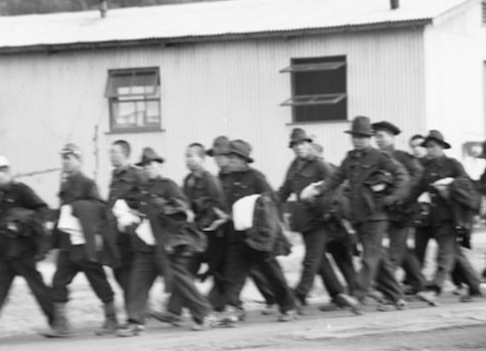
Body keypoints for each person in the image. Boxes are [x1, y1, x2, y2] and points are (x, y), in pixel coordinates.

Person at [304, 116, 408, 311]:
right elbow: (335, 178)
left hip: (376, 216)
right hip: (358, 215)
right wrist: (318, 190)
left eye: (362, 136)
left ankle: (357, 294)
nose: (358, 140)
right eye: (355, 136)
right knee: (378, 257)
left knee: (369, 257)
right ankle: (396, 296)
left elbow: (402, 175)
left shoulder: (379, 157)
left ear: (369, 137)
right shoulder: (350, 158)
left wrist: (392, 198)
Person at [117, 148, 213, 336]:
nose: (148, 168)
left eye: (152, 164)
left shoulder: (168, 186)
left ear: (159, 165)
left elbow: (183, 209)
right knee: (138, 282)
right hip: (146, 247)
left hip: (166, 246)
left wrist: (164, 207)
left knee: (181, 281)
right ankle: (135, 322)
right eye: (145, 165)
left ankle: (204, 314)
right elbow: (132, 207)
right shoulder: (141, 190)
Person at [0, 153, 55, 343]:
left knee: (38, 288)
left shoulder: (21, 191)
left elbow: (43, 211)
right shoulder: (1, 197)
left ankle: (58, 321)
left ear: (5, 170)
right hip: (6, 252)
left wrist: (21, 226)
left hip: (23, 252)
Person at [278, 128, 360, 314]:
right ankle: (338, 295)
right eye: (295, 145)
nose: (299, 148)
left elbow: (335, 188)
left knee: (312, 260)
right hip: (305, 222)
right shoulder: (294, 166)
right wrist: (270, 200)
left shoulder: (320, 165)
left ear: (309, 144)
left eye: (302, 144)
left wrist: (326, 210)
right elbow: (285, 190)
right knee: (319, 260)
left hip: (321, 220)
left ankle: (299, 297)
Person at [44, 143, 119, 337]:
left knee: (98, 280)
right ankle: (61, 325)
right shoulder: (65, 183)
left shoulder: (87, 182)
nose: (65, 162)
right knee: (58, 281)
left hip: (84, 245)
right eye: (63, 158)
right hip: (68, 245)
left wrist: (77, 206)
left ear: (79, 160)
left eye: (69, 158)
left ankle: (112, 320)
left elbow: (99, 206)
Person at [219, 139, 297, 324]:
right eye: (228, 157)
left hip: (258, 236)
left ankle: (288, 307)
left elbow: (271, 199)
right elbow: (226, 205)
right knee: (233, 275)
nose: (229, 160)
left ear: (243, 159)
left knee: (272, 274)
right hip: (237, 237)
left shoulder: (256, 178)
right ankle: (234, 309)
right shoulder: (228, 180)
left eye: (233, 157)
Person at [153, 142, 227, 324]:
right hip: (195, 235)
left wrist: (203, 222)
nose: (187, 159)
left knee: (216, 274)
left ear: (201, 158)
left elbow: (218, 207)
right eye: (186, 156)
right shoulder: (188, 181)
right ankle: (174, 312)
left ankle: (213, 311)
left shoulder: (210, 180)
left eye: (190, 155)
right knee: (183, 271)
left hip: (212, 236)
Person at [412, 131, 483, 305]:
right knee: (456, 255)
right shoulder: (427, 168)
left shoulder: (453, 165)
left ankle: (434, 289)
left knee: (443, 255)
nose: (429, 150)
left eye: (433, 146)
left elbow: (468, 187)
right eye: (427, 147)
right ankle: (476, 287)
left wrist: (450, 189)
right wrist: (401, 201)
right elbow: (416, 189)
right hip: (436, 219)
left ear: (442, 147)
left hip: (453, 218)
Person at [372, 120, 426, 295]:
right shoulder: (375, 158)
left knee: (395, 250)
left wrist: (404, 194)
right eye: (376, 136)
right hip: (384, 210)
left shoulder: (403, 157)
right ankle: (418, 282)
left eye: (381, 136)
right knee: (403, 249)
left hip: (403, 210)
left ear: (392, 138)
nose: (378, 140)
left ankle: (386, 288)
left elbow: (419, 174)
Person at [107, 140, 146, 296]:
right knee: (117, 269)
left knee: (129, 268)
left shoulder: (137, 173)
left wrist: (136, 212)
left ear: (124, 153)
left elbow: (147, 196)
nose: (110, 155)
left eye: (114, 152)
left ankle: (137, 307)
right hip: (114, 230)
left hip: (130, 230)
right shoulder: (114, 175)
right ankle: (136, 304)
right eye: (110, 152)